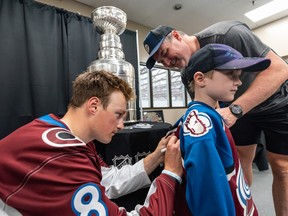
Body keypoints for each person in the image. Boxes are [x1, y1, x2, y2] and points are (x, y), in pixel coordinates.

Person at [143, 21, 288, 216]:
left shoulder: (229, 34)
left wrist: (236, 110)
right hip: (237, 108)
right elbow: (206, 103)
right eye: (162, 62)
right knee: (240, 159)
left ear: (176, 36)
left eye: (165, 53)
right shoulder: (187, 72)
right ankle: (241, 205)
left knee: (281, 166)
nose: (167, 63)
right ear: (199, 78)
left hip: (274, 100)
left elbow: (280, 69)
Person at [0, 69, 184, 216]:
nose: (121, 125)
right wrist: (170, 174)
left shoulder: (54, 129)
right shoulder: (64, 156)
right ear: (94, 105)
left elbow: (107, 180)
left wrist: (155, 156)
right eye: (118, 115)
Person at [171, 43, 270, 215]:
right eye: (231, 74)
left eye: (238, 75)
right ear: (200, 79)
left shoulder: (212, 115)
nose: (238, 82)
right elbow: (209, 194)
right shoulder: (200, 125)